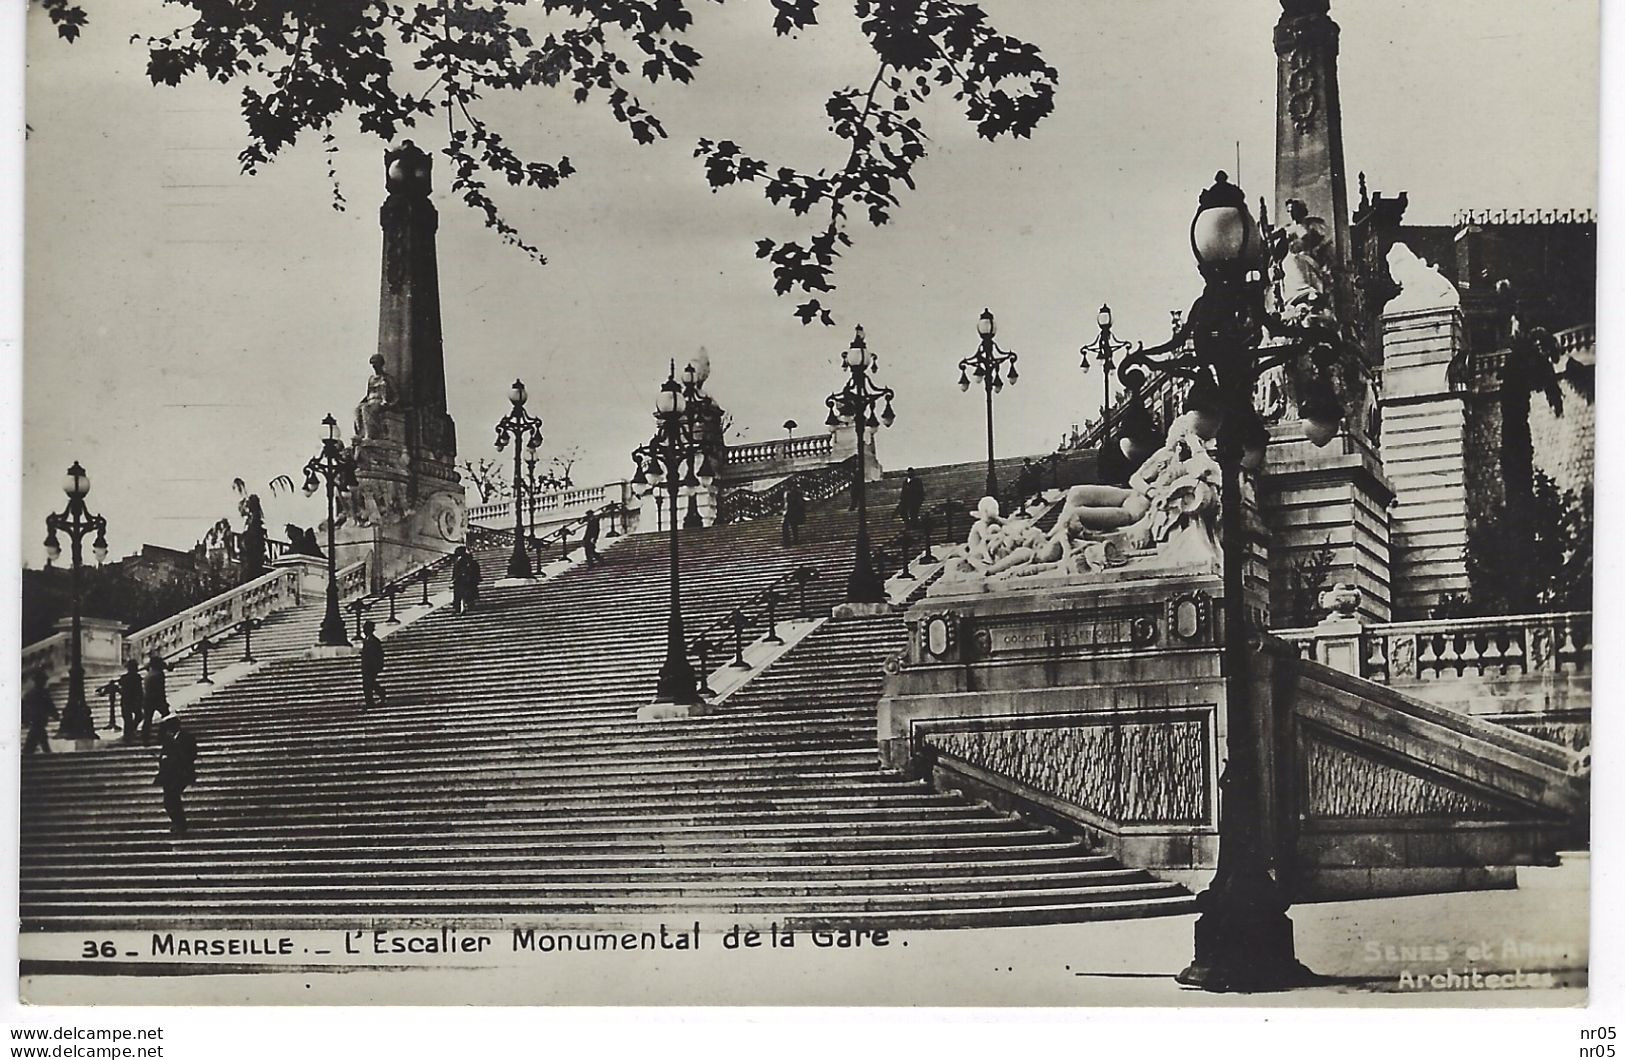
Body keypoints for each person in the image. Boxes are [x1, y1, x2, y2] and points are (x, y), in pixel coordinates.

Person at [154, 715, 197, 835]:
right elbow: (163, 754)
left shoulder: (187, 737)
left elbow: (192, 755)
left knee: (172, 798)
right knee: (169, 801)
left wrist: (176, 758)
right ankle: (178, 823)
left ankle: (180, 824)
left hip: (181, 772)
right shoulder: (168, 739)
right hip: (168, 774)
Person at [21, 671, 56, 755]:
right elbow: (50, 705)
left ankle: (31, 752)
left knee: (37, 735)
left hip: (34, 719)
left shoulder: (30, 694)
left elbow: (24, 707)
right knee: (38, 735)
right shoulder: (44, 693)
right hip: (39, 719)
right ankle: (45, 752)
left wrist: (24, 719)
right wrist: (55, 714)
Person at [141, 654, 170, 745]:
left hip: (147, 700)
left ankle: (145, 739)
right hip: (157, 699)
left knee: (147, 720)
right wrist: (164, 701)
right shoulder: (159, 674)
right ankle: (161, 737)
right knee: (166, 717)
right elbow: (160, 690)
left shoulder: (149, 674)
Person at [360, 621, 386, 709]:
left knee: (369, 683)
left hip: (371, 666)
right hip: (366, 666)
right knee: (368, 684)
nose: (364, 630)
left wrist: (378, 665)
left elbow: (379, 654)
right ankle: (370, 701)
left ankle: (375, 697)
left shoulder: (374, 641)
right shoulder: (366, 640)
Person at [118, 658, 144, 744]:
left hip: (125, 701)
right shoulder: (137, 678)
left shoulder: (123, 678)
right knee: (138, 716)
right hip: (134, 701)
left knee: (127, 719)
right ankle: (131, 731)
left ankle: (127, 734)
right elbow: (139, 691)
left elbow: (121, 689)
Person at [451, 546, 481, 614]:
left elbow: (473, 570)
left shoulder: (468, 561)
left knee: (465, 594)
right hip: (461, 580)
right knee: (459, 595)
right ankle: (459, 608)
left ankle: (464, 606)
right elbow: (456, 571)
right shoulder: (459, 561)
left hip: (467, 580)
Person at [781, 479, 806, 546]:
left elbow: (787, 504)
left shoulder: (789, 494)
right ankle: (793, 540)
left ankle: (788, 541)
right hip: (793, 512)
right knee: (793, 526)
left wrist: (785, 512)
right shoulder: (797, 493)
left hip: (790, 512)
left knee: (788, 526)